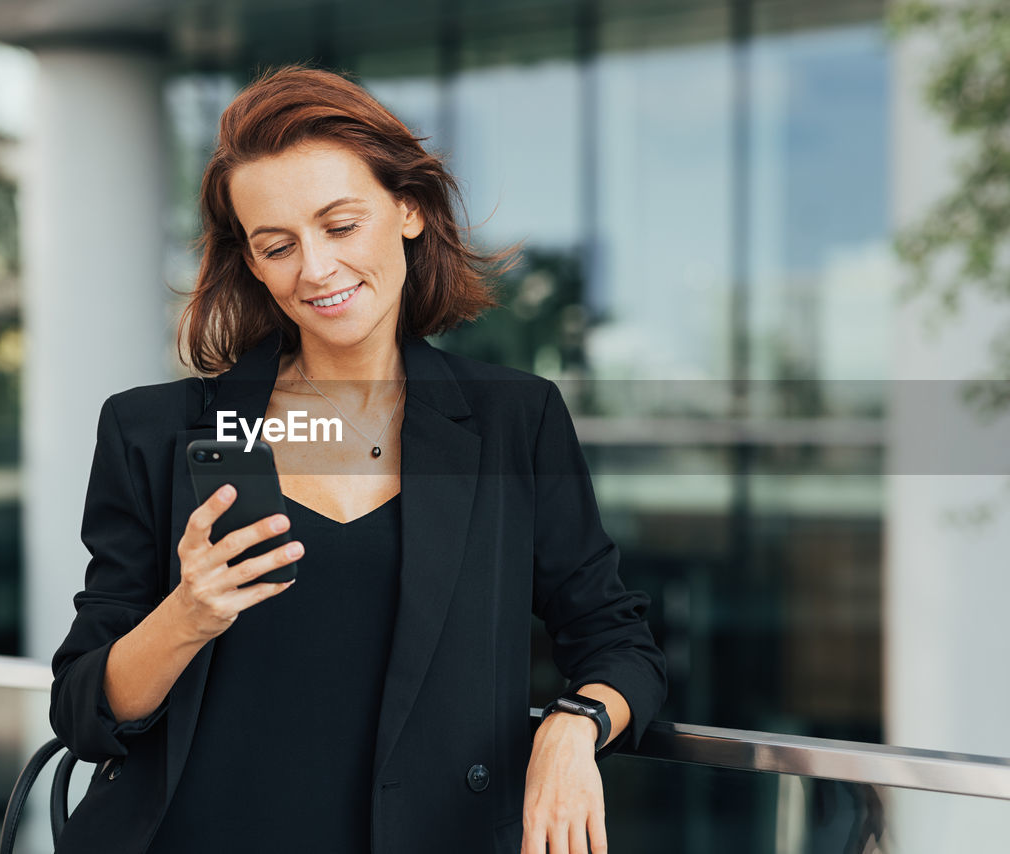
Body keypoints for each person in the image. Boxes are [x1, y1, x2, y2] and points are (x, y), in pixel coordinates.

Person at [49, 65, 666, 854]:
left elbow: (616, 639)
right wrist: (186, 616)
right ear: (253, 262)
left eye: (340, 226)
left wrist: (574, 727)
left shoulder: (515, 420)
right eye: (278, 246)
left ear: (408, 209)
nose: (315, 268)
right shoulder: (153, 430)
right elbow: (82, 705)